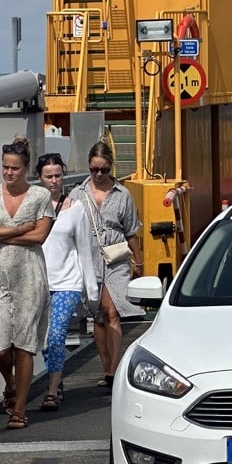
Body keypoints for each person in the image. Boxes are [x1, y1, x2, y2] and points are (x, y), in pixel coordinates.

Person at [0, 137, 54, 430]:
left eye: (15, 168)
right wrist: (21, 228)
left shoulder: (40, 197)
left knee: (24, 345)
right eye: (5, 167)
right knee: (1, 347)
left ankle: (19, 409)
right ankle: (10, 384)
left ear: (26, 168)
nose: (9, 173)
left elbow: (39, 237)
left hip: (29, 277)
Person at [72, 141, 143, 389]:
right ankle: (105, 366)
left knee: (112, 312)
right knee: (99, 316)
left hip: (116, 258)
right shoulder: (77, 194)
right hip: (88, 258)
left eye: (103, 170)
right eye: (94, 170)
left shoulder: (122, 195)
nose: (99, 175)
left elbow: (132, 232)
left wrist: (139, 261)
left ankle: (113, 368)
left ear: (111, 167)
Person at [36, 153, 98, 412]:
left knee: (57, 333)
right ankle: (56, 376)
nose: (54, 181)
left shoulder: (76, 209)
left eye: (58, 175)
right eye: (48, 176)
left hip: (68, 281)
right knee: (42, 339)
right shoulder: (33, 207)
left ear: (64, 175)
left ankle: (51, 391)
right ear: (39, 178)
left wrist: (90, 287)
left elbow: (85, 248)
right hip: (39, 280)